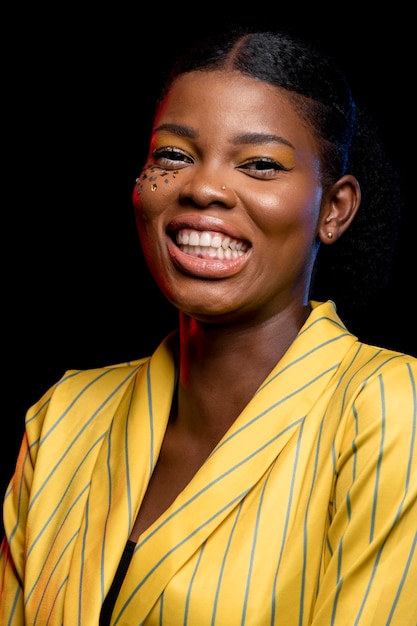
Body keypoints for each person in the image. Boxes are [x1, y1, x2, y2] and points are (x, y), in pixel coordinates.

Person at [1, 27, 416, 626]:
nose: (203, 188)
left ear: (334, 208)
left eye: (261, 164)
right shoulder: (65, 417)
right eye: (173, 155)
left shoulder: (389, 408)